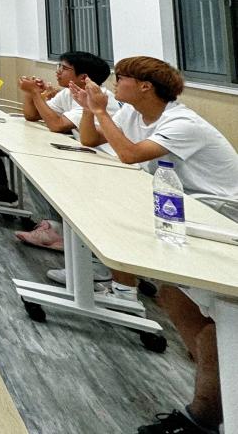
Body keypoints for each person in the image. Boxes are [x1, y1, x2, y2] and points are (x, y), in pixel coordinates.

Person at [72, 57, 238, 434]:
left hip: (223, 221)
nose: (115, 84)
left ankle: (209, 403)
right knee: (173, 296)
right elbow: (90, 140)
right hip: (184, 214)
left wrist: (101, 111)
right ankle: (212, 395)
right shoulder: (134, 114)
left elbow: (129, 155)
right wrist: (90, 110)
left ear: (145, 86)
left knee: (214, 315)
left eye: (122, 78)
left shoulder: (182, 123)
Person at [14, 51, 117, 250]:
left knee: (39, 166)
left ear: (83, 77)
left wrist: (36, 94)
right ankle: (53, 225)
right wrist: (31, 93)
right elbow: (32, 116)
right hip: (86, 152)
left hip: (106, 160)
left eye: (64, 68)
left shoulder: (99, 97)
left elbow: (56, 125)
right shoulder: (69, 92)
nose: (58, 72)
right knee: (32, 162)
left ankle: (56, 229)